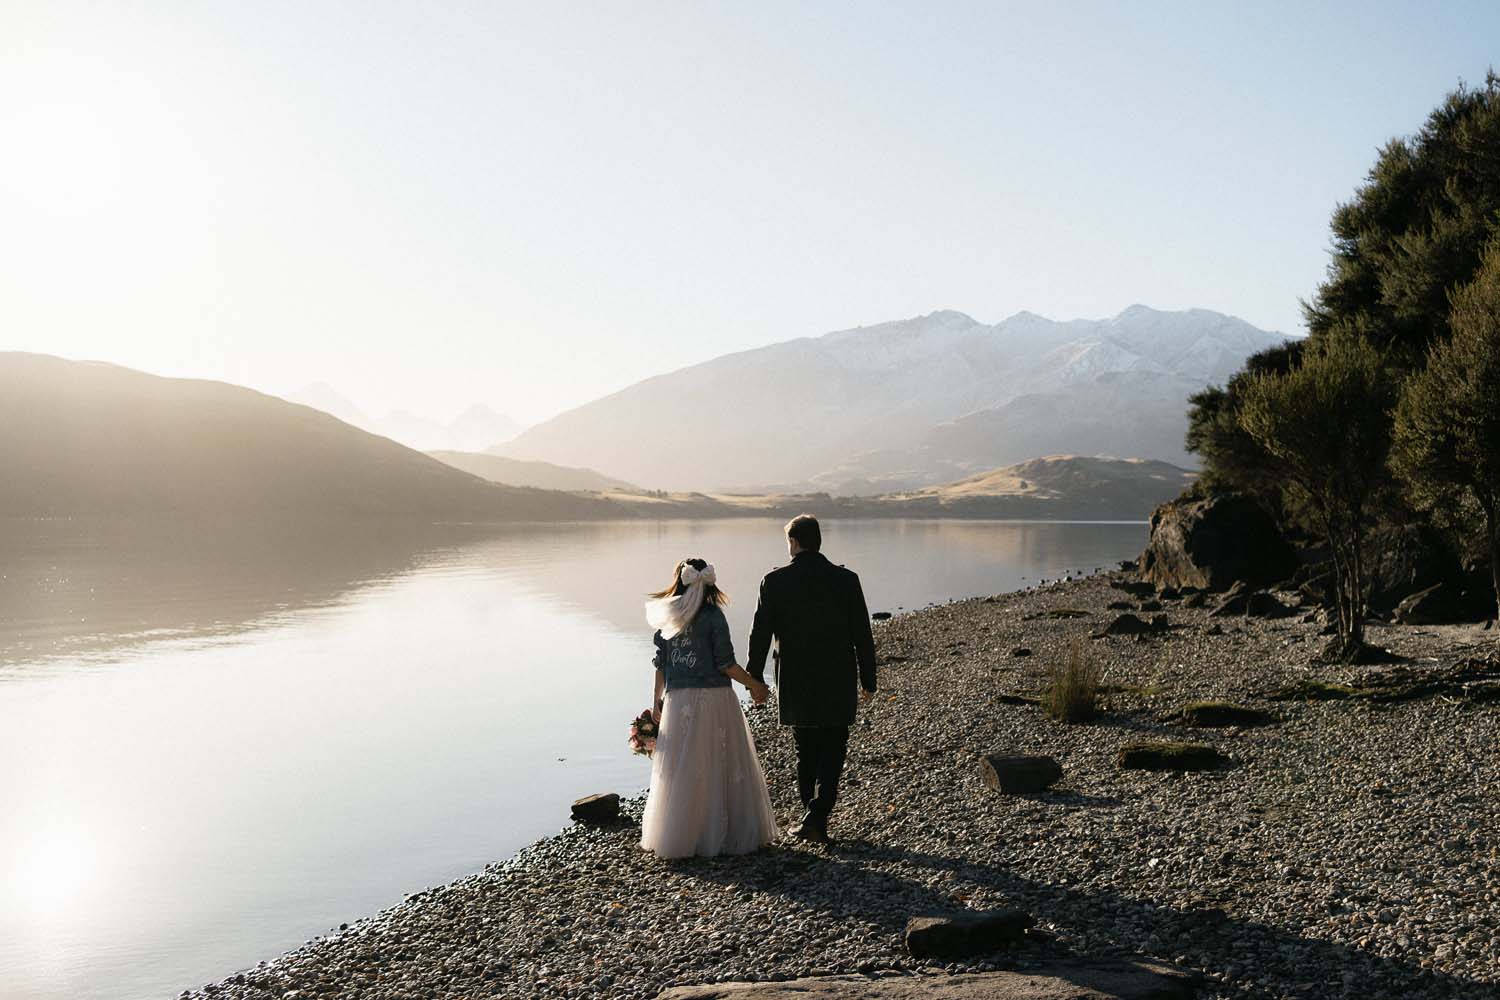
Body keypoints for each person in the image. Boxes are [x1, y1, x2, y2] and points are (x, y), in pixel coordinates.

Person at [747, 515, 877, 844]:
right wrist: (868, 678)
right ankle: (816, 816)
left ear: (794, 542)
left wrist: (754, 678)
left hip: (796, 676)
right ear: (818, 542)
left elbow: (760, 634)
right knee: (834, 745)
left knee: (805, 749)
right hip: (838, 674)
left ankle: (814, 816)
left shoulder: (774, 581)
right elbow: (862, 632)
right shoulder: (847, 580)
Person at [639, 558, 778, 858]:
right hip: (714, 700)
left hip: (678, 702)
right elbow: (725, 664)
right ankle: (721, 834)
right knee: (717, 764)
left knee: (681, 768)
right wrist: (755, 685)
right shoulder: (714, 617)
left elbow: (660, 666)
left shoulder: (668, 617)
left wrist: (656, 703)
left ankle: (682, 835)